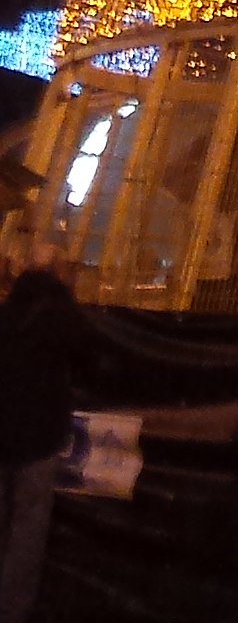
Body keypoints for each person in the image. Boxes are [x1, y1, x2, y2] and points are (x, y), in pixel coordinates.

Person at [0, 234, 78, 623]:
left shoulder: (8, 312)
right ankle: (12, 610)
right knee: (28, 527)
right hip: (39, 436)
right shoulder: (63, 315)